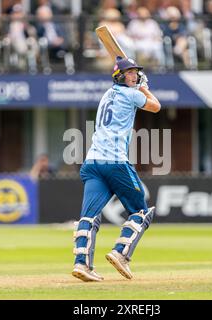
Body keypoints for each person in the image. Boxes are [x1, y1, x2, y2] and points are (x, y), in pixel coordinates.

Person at [72, 57, 161, 282]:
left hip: (92, 162)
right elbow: (156, 106)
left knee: (88, 216)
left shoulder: (107, 94)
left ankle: (82, 264)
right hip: (115, 162)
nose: (134, 75)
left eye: (136, 72)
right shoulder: (131, 93)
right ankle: (120, 253)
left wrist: (138, 85)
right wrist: (144, 88)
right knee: (141, 212)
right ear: (119, 76)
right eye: (129, 73)